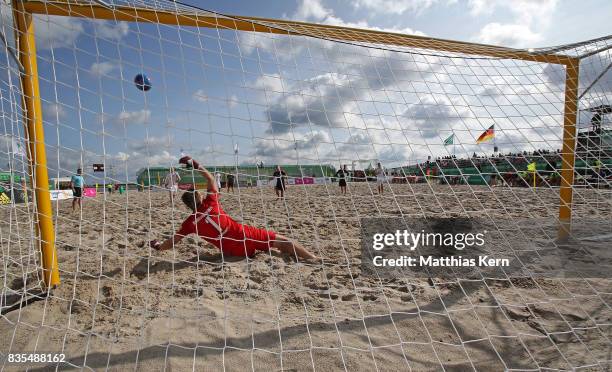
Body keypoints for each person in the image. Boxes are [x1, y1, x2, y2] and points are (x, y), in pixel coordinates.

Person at [150, 156, 317, 261]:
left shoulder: (189, 223)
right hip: (244, 236)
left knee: (263, 244)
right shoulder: (211, 202)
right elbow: (210, 180)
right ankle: (313, 258)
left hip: (232, 251)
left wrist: (158, 246)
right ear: (199, 197)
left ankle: (253, 253)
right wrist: (194, 164)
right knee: (284, 241)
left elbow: (173, 241)